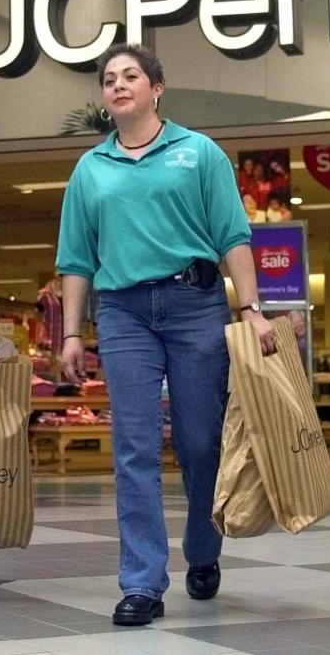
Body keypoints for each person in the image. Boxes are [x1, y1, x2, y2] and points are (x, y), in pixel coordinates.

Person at [57, 43, 275, 627]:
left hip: (194, 304)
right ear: (105, 99)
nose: (119, 85)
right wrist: (71, 334)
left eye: (131, 76)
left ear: (157, 88)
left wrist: (251, 308)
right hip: (123, 312)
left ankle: (203, 551)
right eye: (109, 79)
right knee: (134, 446)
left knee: (201, 443)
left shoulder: (198, 152)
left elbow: (232, 235)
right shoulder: (90, 168)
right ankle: (143, 583)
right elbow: (77, 258)